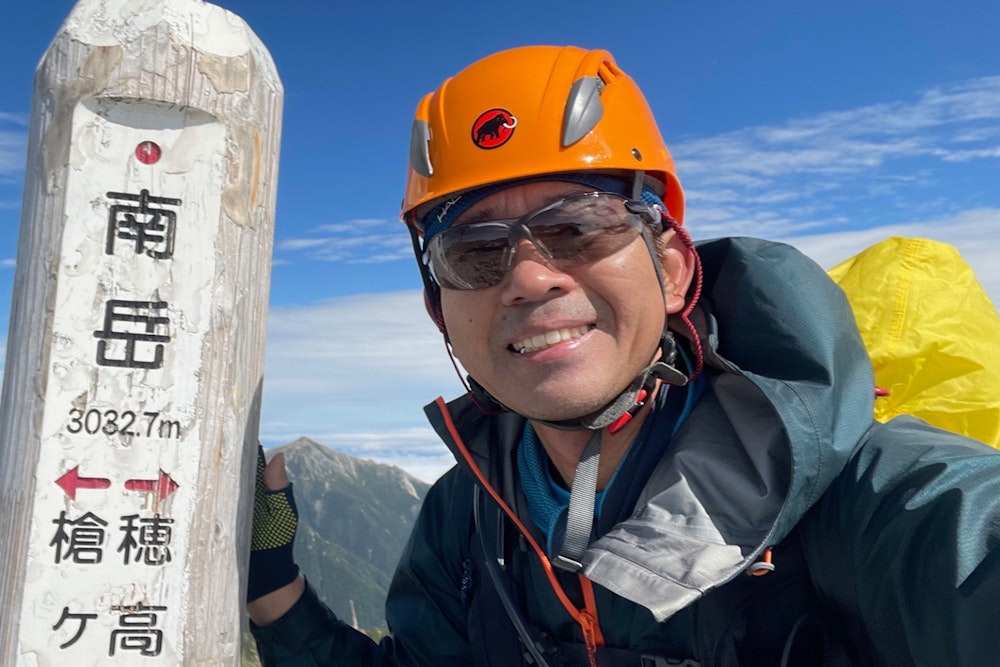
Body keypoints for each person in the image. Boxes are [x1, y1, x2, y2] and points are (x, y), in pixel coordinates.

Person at [246, 45, 1000, 666]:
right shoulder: (468, 514)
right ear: (440, 308)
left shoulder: (870, 504)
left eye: (578, 227)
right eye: (475, 253)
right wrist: (272, 583)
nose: (531, 277)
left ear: (670, 266)